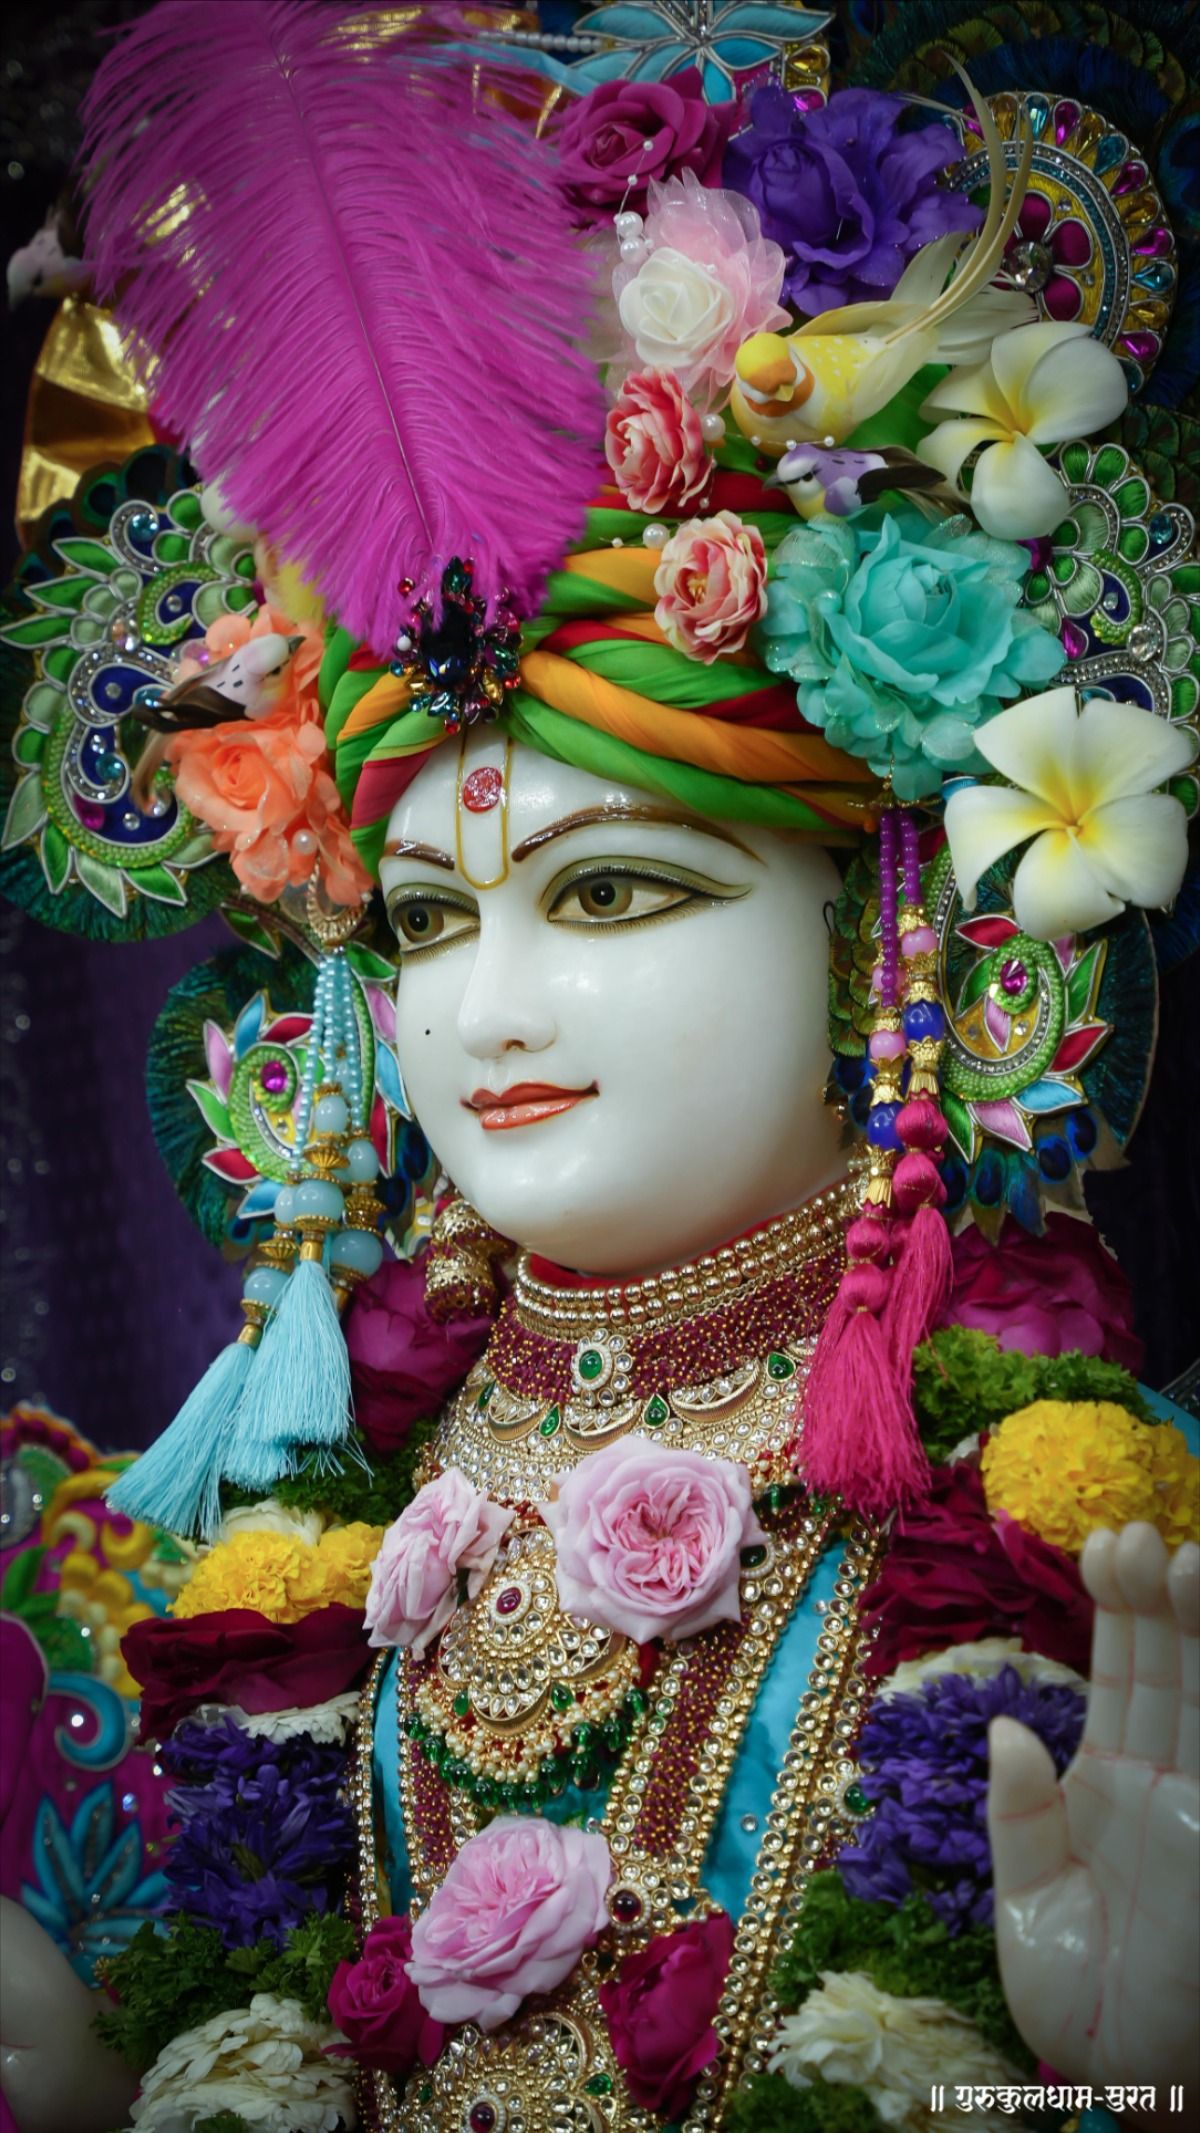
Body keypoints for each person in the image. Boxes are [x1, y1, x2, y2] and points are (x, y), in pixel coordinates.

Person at [0, 6, 1196, 2129]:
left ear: (875, 924)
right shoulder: (322, 1512)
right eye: (437, 922)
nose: (488, 1010)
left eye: (618, 892)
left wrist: (1142, 2074)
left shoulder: (1078, 1523)